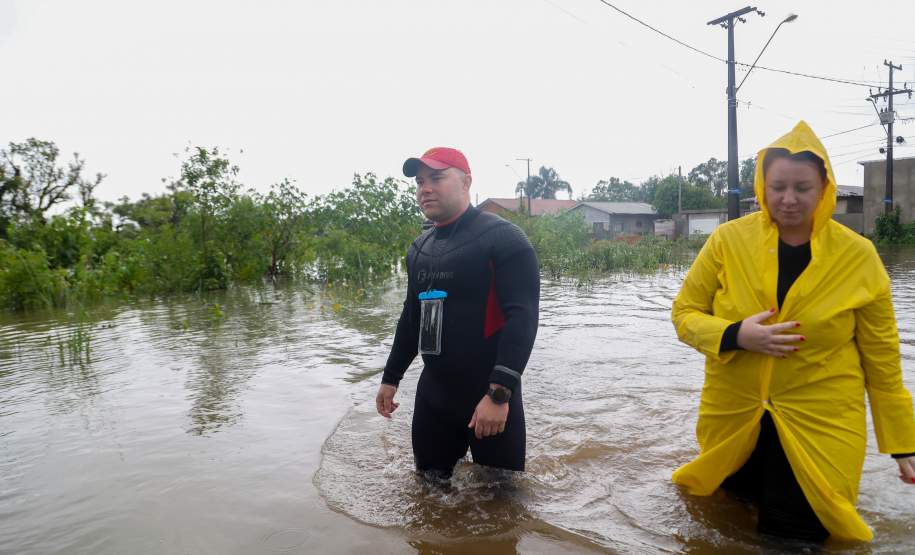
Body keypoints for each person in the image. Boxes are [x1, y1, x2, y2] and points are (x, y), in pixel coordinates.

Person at [670, 121, 915, 542]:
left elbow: (882, 358)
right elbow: (684, 313)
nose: (788, 199)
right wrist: (735, 335)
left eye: (802, 187)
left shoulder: (858, 256)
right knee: (727, 520)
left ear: (824, 187)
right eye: (778, 186)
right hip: (735, 417)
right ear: (762, 186)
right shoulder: (728, 241)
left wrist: (903, 442)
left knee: (798, 534)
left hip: (821, 421)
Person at [375, 146, 539, 476]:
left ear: (466, 182)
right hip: (434, 396)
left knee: (501, 506)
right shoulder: (419, 249)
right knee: (428, 496)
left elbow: (522, 316)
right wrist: (391, 378)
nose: (426, 188)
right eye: (420, 181)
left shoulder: (503, 239)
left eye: (437, 177)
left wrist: (498, 395)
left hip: (489, 397)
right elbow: (411, 318)